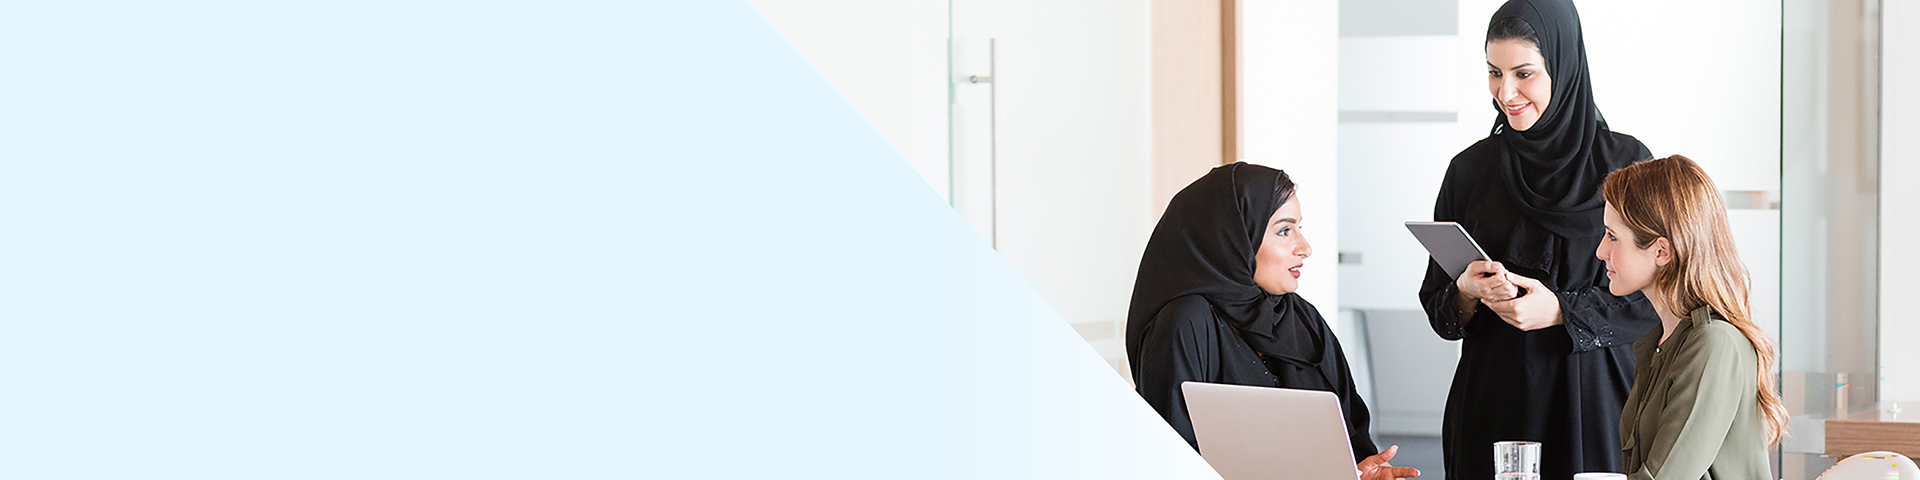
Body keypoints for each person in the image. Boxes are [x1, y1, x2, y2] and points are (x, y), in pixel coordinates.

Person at [1417, 1, 1661, 478]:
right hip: (1492, 406)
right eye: (1493, 73)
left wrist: (1559, 312)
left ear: (1563, 66)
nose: (1505, 92)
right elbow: (1439, 311)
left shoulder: (1626, 165)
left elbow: (1655, 298)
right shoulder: (1469, 171)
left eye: (1523, 73)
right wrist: (1468, 291)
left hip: (1595, 407)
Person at [1128, 162, 1418, 480]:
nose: (1305, 248)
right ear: (1234, 237)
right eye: (1284, 230)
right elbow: (1173, 461)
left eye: (1299, 228)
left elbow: (1352, 441)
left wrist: (1363, 470)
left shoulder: (1302, 318)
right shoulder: (1186, 323)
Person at [1598, 155, 1787, 480]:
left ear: (1661, 251)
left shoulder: (1714, 345)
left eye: (1612, 236)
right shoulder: (1662, 344)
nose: (1601, 251)